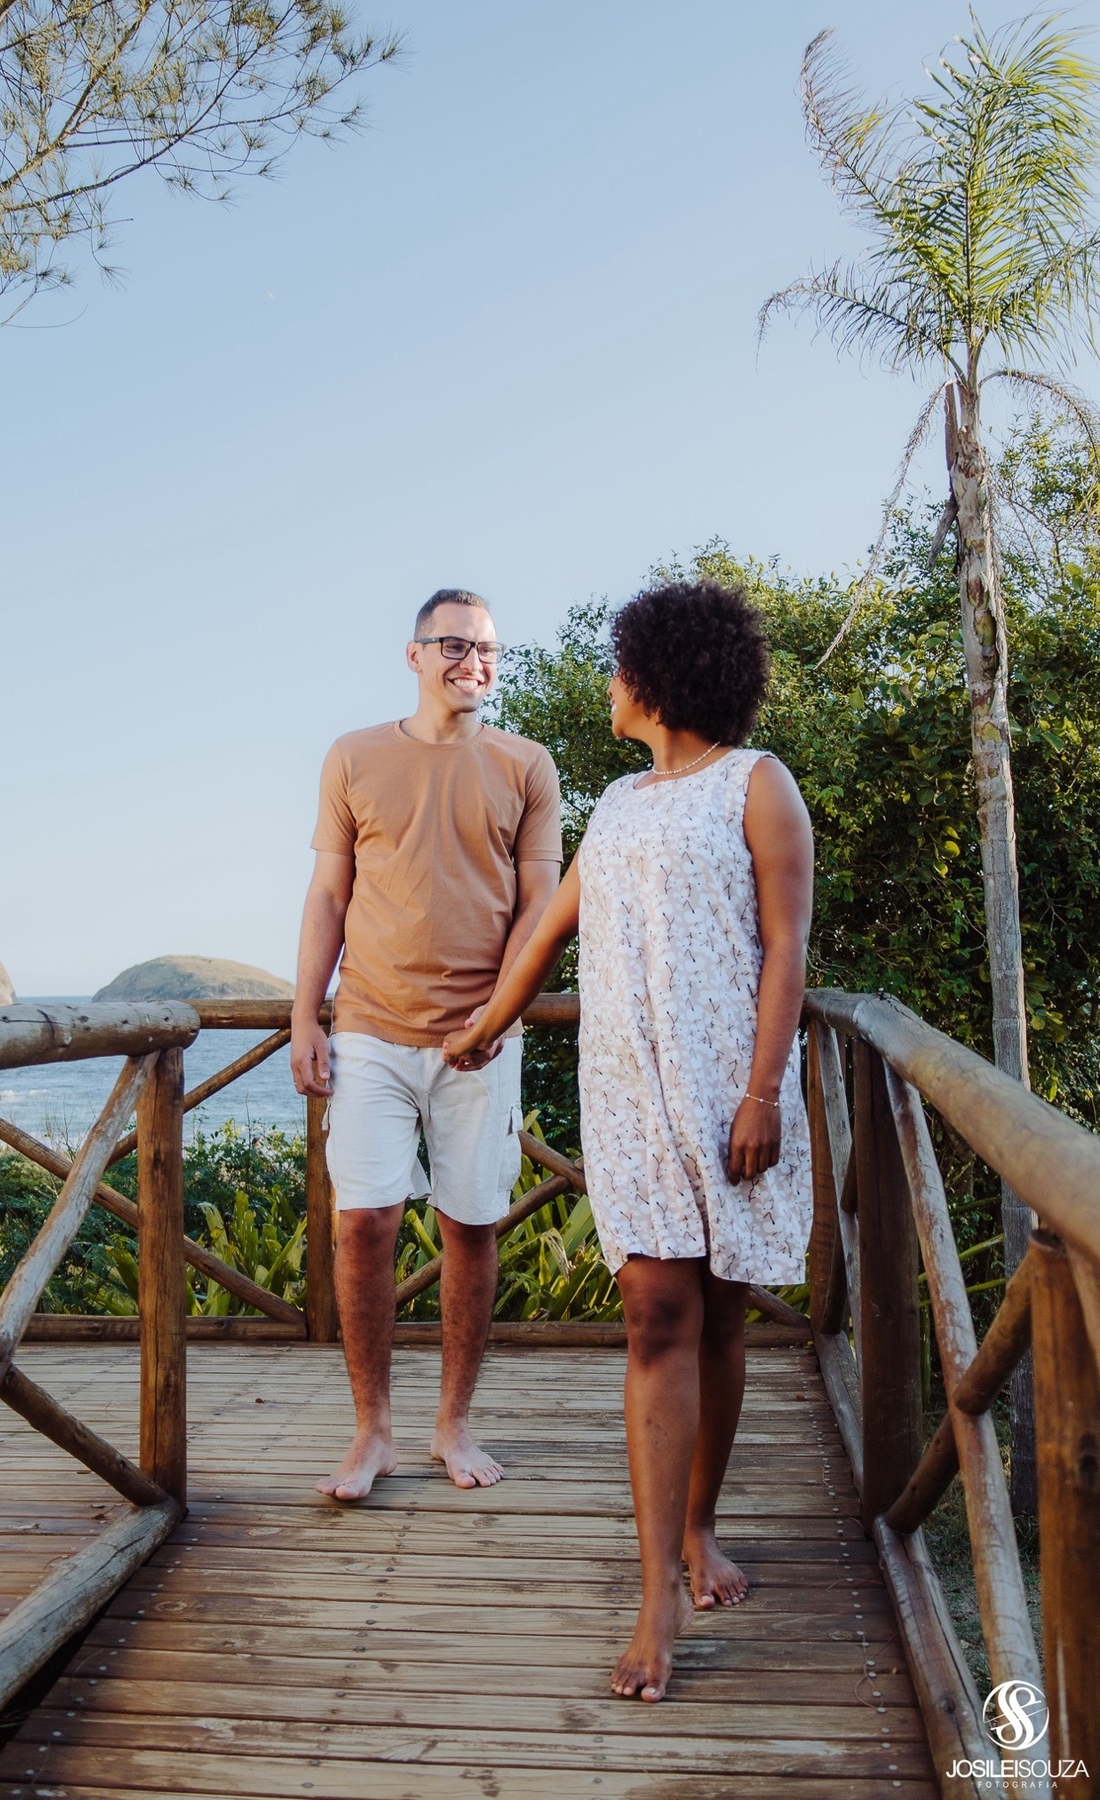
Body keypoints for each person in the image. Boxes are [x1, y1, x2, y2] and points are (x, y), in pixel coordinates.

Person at [443, 578, 813, 1702]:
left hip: (729, 1094)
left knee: (722, 1318)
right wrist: (489, 1023)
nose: (607, 683)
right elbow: (551, 931)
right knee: (657, 1312)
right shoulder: (617, 803)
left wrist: (759, 1094)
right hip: (630, 1094)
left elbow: (789, 954)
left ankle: (700, 1525)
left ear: (657, 677)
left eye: (616, 666)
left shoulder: (761, 786)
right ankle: (656, 1587)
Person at [291, 588, 562, 1501]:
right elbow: (328, 897)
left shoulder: (527, 765)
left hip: (482, 1039)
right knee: (362, 1223)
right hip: (369, 1023)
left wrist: (496, 1018)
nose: (474, 662)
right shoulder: (353, 757)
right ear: (413, 655)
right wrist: (303, 1016)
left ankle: (453, 1424)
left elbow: (540, 909)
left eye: (488, 650)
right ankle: (372, 1433)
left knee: (470, 1225)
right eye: (455, 645)